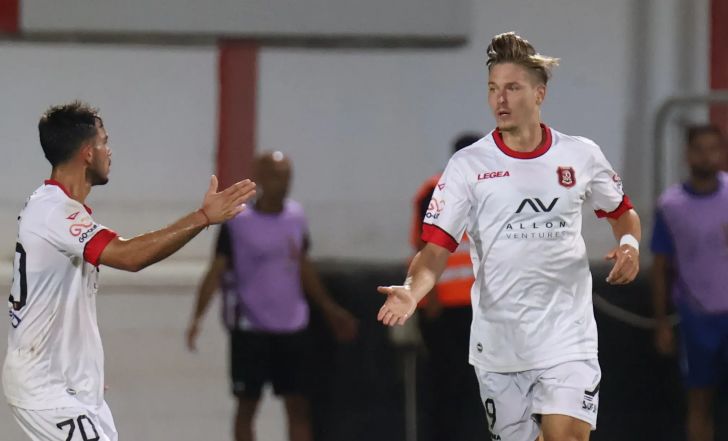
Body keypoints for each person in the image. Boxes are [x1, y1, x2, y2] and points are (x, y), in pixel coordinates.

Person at [377, 32, 641, 441]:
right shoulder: (468, 166)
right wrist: (413, 291)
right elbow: (435, 250)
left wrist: (629, 245)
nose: (500, 99)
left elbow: (623, 213)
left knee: (567, 436)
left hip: (567, 337)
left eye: (512, 88)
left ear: (539, 94)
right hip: (500, 345)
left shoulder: (580, 155)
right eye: (492, 88)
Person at [3, 101, 256, 441]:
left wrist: (84, 369)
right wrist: (202, 218)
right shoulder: (54, 211)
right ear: (87, 153)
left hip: (70, 386)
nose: (110, 151)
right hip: (47, 389)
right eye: (104, 142)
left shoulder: (56, 207)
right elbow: (129, 256)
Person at [186, 151, 358, 441]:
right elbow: (216, 270)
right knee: (247, 404)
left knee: (298, 405)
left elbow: (302, 265)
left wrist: (330, 309)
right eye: (277, 176)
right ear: (261, 178)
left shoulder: (296, 217)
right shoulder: (238, 220)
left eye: (288, 176)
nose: (284, 183)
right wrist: (197, 317)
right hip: (250, 326)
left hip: (292, 325)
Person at [651, 124, 728, 441]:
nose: (706, 156)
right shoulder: (671, 205)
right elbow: (660, 267)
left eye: (712, 149)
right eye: (699, 149)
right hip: (696, 317)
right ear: (688, 154)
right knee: (699, 402)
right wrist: (662, 323)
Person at [411, 133, 488, 441]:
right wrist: (430, 298)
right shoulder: (435, 191)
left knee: (478, 385)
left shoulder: (488, 190)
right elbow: (424, 245)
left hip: (478, 305)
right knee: (445, 383)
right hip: (444, 306)